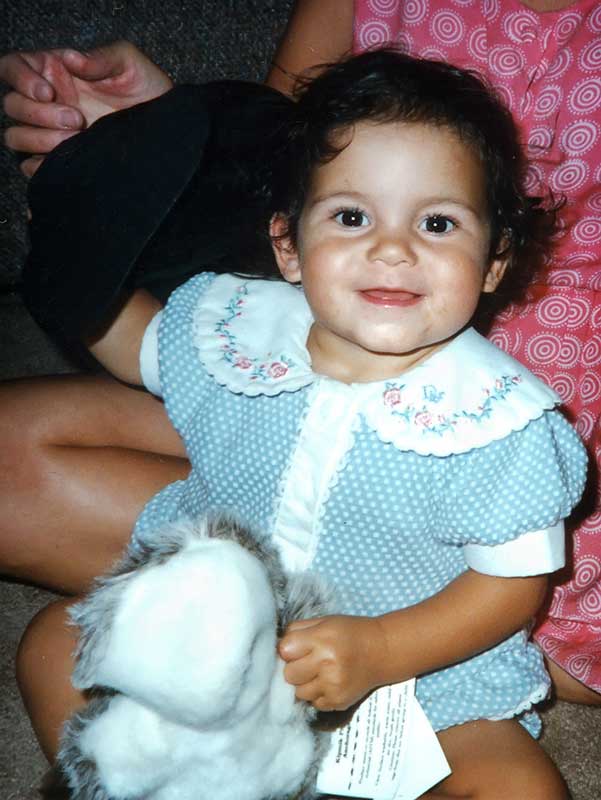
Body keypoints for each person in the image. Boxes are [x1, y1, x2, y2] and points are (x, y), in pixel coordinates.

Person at [13, 49, 589, 798]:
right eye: (351, 216)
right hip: (207, 630)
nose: (391, 247)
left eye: (437, 222)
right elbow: (130, 338)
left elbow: (511, 587)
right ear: (287, 244)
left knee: (519, 787)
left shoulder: (495, 421)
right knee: (52, 644)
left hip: (415, 682)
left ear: (491, 263)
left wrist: (381, 648)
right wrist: (77, 233)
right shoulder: (234, 332)